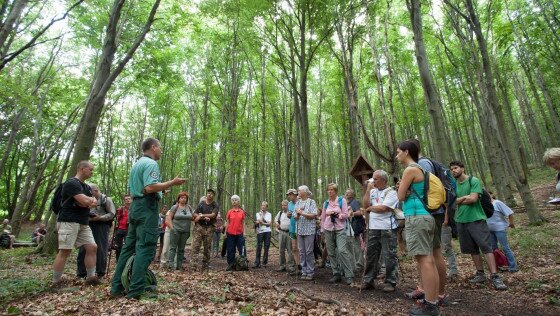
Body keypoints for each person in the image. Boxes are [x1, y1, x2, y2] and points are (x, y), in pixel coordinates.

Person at [110, 138, 186, 299]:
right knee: (145, 248)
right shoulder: (151, 164)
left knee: (128, 248)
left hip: (135, 208)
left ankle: (116, 288)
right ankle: (136, 290)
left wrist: (160, 191)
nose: (161, 151)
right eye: (160, 148)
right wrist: (172, 183)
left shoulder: (137, 164)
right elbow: (149, 187)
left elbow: (144, 188)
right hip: (146, 209)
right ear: (153, 147)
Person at [395, 141, 440, 316]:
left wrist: (400, 188)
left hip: (417, 217)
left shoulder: (410, 169)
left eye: (399, 152)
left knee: (425, 260)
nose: (397, 155)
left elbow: (400, 196)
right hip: (426, 216)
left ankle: (430, 306)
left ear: (406, 152)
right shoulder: (420, 169)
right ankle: (432, 301)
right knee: (428, 260)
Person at [406, 139, 453, 302]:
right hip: (433, 210)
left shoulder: (422, 164)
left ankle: (438, 294)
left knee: (432, 253)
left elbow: (426, 189)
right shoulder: (424, 163)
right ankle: (425, 289)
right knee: (427, 253)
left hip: (429, 211)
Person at [449, 160, 507, 291]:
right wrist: (465, 198)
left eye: (456, 168)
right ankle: (480, 273)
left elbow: (474, 199)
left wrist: (460, 200)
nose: (454, 171)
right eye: (452, 169)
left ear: (462, 168)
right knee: (472, 249)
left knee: (486, 247)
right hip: (461, 220)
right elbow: (452, 202)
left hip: (476, 219)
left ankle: (495, 276)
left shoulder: (473, 181)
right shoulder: (453, 185)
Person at [51, 161, 99, 287]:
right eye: (90, 169)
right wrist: (87, 201)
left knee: (92, 247)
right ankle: (55, 282)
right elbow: (83, 201)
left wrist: (87, 201)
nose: (92, 172)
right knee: (65, 251)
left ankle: (91, 279)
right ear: (82, 169)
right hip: (69, 220)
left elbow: (92, 201)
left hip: (83, 222)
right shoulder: (71, 183)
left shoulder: (87, 187)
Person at [360, 170, 399, 292]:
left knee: (389, 255)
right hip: (373, 227)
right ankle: (368, 280)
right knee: (371, 254)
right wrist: (367, 190)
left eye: (375, 179)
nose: (373, 181)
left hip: (387, 227)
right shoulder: (372, 191)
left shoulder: (391, 192)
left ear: (383, 180)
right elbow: (365, 205)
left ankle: (390, 282)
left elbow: (384, 208)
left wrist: (371, 208)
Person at [77, 183, 115, 278]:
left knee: (101, 248)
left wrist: (100, 218)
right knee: (84, 248)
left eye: (90, 191)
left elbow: (112, 214)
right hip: (87, 224)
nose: (88, 193)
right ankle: (82, 272)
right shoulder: (87, 199)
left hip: (101, 226)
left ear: (96, 190)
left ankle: (100, 271)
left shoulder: (106, 199)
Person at [321, 183, 353, 285]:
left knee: (342, 250)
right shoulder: (326, 203)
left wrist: (337, 215)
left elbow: (346, 215)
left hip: (340, 229)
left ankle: (349, 275)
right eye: (328, 190)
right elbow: (322, 218)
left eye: (332, 190)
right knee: (331, 252)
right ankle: (336, 273)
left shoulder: (341, 200)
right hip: (328, 229)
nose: (330, 191)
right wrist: (322, 231)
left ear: (336, 191)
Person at [488, 192, 518, 273]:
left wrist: (511, 223)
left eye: (487, 194)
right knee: (493, 248)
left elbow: (510, 212)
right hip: (489, 230)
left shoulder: (497, 203)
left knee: (505, 247)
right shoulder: (484, 204)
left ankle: (513, 267)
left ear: (491, 194)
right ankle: (499, 265)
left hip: (500, 229)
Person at [192, 189, 219, 271]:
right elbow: (195, 213)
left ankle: (205, 267)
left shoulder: (215, 205)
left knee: (207, 248)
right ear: (206, 194)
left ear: (213, 196)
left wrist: (202, 215)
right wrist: (202, 217)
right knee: (195, 247)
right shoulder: (201, 204)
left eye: (211, 194)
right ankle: (193, 267)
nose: (209, 195)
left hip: (209, 228)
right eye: (208, 193)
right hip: (199, 227)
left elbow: (213, 215)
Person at [295, 185, 318, 280]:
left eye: (299, 191)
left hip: (309, 230)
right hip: (300, 230)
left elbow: (313, 215)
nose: (298, 192)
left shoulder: (311, 202)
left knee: (309, 251)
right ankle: (304, 271)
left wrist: (302, 213)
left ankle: (310, 271)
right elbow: (295, 216)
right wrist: (297, 214)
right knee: (301, 251)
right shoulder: (298, 202)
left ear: (305, 192)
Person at [166, 192, 193, 270]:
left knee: (181, 249)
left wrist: (201, 216)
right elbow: (169, 218)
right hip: (176, 230)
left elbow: (193, 217)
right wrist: (172, 228)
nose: (183, 199)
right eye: (182, 197)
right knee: (173, 248)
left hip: (185, 231)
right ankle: (170, 265)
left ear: (187, 199)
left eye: (185, 198)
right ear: (179, 199)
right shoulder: (175, 207)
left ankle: (179, 265)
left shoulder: (189, 208)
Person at [225, 195, 245, 271]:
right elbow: (227, 222)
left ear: (238, 201)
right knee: (230, 249)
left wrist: (244, 233)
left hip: (240, 233)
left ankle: (242, 264)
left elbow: (243, 223)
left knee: (241, 249)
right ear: (231, 202)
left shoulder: (241, 212)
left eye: (236, 200)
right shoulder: (229, 212)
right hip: (230, 233)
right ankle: (230, 264)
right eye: (233, 200)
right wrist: (225, 233)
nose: (234, 201)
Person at [346, 188, 365, 272]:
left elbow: (360, 212)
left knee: (356, 245)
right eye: (346, 193)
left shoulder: (355, 202)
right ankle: (354, 263)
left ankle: (359, 263)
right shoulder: (347, 203)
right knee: (353, 245)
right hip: (349, 227)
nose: (347, 194)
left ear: (353, 194)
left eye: (349, 193)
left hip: (356, 226)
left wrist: (351, 213)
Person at [275, 200, 295, 272]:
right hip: (281, 232)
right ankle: (282, 265)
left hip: (289, 233)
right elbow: (276, 220)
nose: (283, 206)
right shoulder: (280, 213)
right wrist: (277, 223)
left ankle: (291, 266)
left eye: (285, 205)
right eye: (282, 205)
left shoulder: (291, 213)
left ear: (288, 206)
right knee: (281, 250)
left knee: (290, 250)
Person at [254, 201, 272, 268]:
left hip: (268, 231)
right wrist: (261, 215)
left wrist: (263, 223)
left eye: (264, 205)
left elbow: (269, 223)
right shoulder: (257, 214)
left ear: (267, 207)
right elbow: (260, 221)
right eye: (262, 205)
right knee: (259, 246)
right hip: (260, 232)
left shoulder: (269, 214)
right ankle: (257, 262)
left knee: (266, 246)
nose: (263, 206)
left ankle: (264, 262)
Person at [286, 189, 300, 273]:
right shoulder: (289, 204)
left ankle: (304, 266)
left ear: (295, 194)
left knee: (301, 248)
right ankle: (298, 266)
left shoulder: (300, 202)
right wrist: (288, 215)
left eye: (290, 194)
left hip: (300, 228)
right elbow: (288, 214)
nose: (289, 196)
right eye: (288, 194)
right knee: (294, 248)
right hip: (292, 228)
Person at [114, 195, 131, 262]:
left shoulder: (133, 209)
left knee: (128, 245)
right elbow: (116, 219)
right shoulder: (120, 209)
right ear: (124, 201)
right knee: (118, 246)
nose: (128, 200)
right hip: (120, 229)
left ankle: (127, 260)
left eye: (129, 199)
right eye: (126, 199)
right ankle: (118, 260)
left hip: (128, 229)